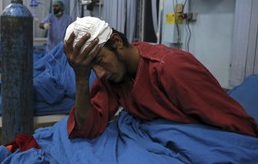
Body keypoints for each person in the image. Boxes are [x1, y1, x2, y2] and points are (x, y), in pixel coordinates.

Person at [63, 16, 258, 139]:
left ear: (116, 42)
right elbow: (89, 125)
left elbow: (228, 116)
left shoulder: (172, 68)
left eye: (99, 60)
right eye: (91, 68)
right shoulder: (112, 74)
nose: (100, 74)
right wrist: (81, 78)